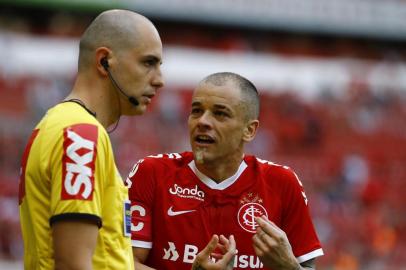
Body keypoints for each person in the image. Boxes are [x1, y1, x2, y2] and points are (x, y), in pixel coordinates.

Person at [128, 72, 323, 270]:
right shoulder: (151, 172)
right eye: (196, 111)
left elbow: (307, 267)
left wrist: (289, 267)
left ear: (249, 130)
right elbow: (120, 263)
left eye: (220, 114)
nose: (202, 121)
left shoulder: (282, 183)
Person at [18, 9, 164, 269]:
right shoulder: (81, 135)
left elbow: (107, 260)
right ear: (104, 61)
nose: (159, 80)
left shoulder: (67, 126)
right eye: (148, 62)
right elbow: (73, 264)